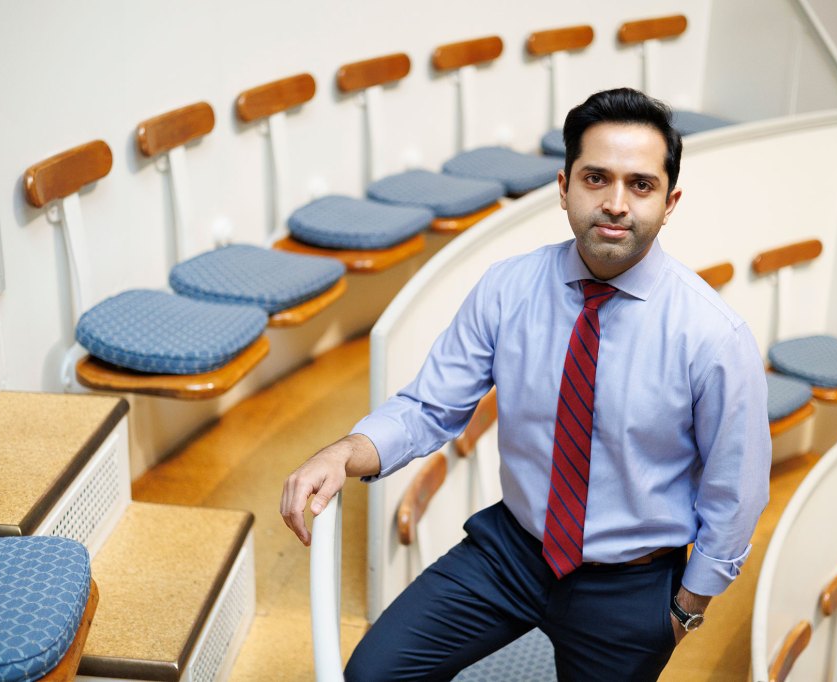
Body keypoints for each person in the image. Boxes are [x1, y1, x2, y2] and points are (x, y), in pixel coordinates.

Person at [281, 87, 771, 681]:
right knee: (374, 675)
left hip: (630, 585)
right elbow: (428, 407)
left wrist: (685, 608)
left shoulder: (713, 336)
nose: (616, 203)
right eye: (596, 178)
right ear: (563, 189)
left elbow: (735, 490)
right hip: (511, 551)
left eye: (640, 185)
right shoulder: (507, 288)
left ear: (669, 202)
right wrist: (346, 450)